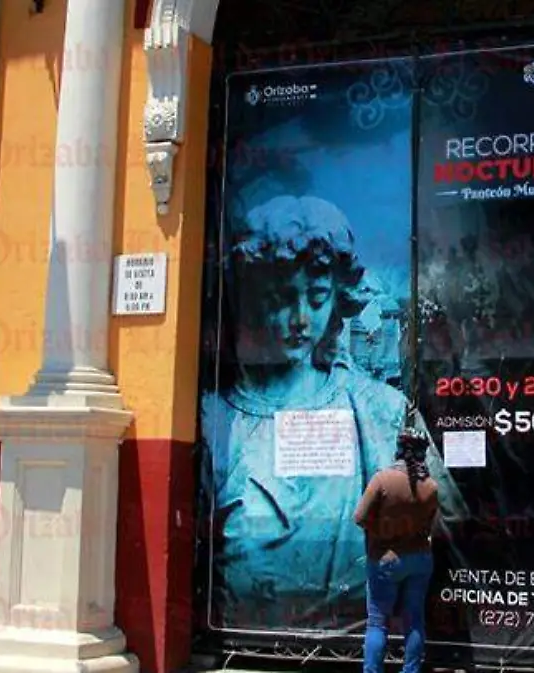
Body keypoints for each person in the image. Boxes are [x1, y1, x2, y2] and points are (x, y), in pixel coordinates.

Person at [200, 194, 467, 630]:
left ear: (338, 297)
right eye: (282, 297)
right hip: (246, 634)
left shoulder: (380, 411)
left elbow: (446, 531)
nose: (301, 318)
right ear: (252, 299)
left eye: (318, 296)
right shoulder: (218, 421)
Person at [354, 426, 440, 673]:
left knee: (377, 622)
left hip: (385, 559)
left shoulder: (382, 479)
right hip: (420, 559)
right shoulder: (431, 486)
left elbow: (360, 517)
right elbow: (429, 523)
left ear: (400, 450)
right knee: (414, 621)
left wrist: (381, 532)